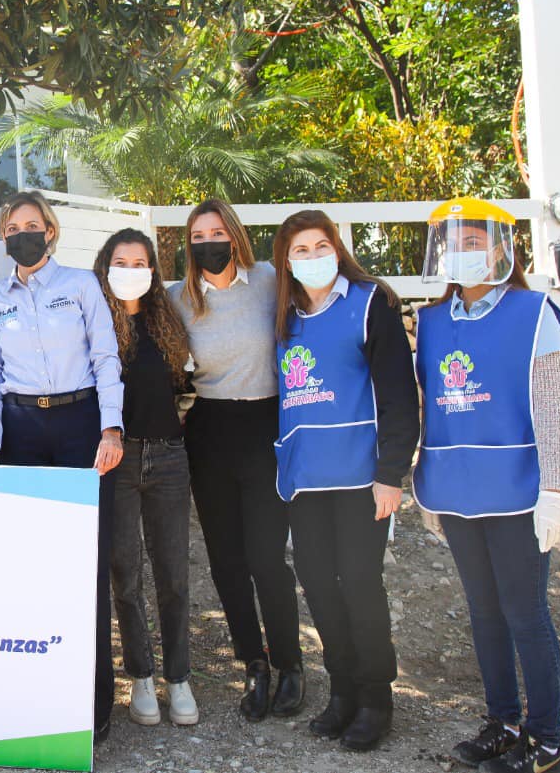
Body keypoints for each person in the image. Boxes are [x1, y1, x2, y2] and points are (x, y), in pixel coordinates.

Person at [413, 198, 560, 773]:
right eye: (454, 242)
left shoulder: (534, 312)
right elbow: (432, 409)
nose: (462, 252)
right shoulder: (431, 322)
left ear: (502, 249)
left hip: (518, 492)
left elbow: (549, 408)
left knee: (525, 614)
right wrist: (425, 480)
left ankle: (546, 742)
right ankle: (502, 723)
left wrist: (555, 491)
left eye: (474, 242)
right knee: (483, 612)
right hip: (456, 493)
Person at [0, 190, 123, 742]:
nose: (22, 235)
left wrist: (111, 427)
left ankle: (94, 705)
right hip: (21, 431)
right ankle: (36, 696)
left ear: (51, 231)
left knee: (88, 564)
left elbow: (105, 357)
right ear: (3, 237)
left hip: (80, 425)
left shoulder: (81, 285)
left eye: (31, 225)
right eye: (12, 228)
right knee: (28, 567)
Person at [271, 209, 419, 751]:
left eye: (321, 246)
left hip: (361, 477)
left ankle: (376, 697)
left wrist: (391, 473)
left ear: (337, 248)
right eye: (300, 250)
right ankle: (342, 690)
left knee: (359, 583)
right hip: (306, 478)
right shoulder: (283, 316)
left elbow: (398, 395)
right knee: (317, 583)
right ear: (287, 261)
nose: (312, 257)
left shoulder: (370, 302)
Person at [167, 199, 305, 723]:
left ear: (236, 235)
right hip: (210, 430)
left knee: (266, 557)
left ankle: (291, 663)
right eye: (198, 236)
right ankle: (255, 662)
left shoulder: (269, 280)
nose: (209, 243)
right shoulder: (179, 297)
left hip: (265, 426)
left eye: (217, 232)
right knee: (226, 560)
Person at [94, 228, 197, 729]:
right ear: (105, 266)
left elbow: (187, 386)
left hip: (169, 458)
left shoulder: (166, 320)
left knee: (173, 573)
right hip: (117, 459)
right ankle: (140, 675)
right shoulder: (92, 320)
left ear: (153, 271)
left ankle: (179, 678)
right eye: (121, 262)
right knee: (125, 574)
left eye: (140, 263)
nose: (130, 271)